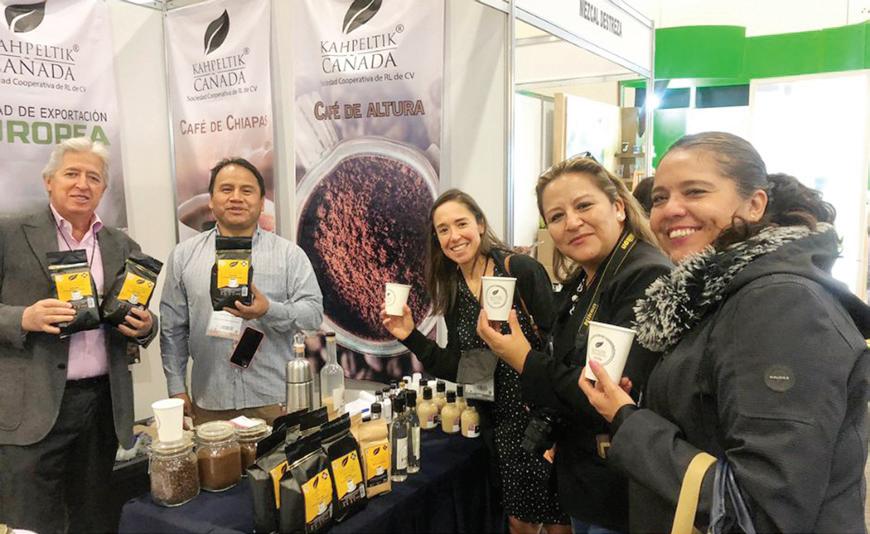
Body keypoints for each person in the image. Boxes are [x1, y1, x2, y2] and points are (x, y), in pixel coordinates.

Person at [580, 132, 870, 533]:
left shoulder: (781, 305)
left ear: (755, 204)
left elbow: (759, 511)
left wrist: (628, 422)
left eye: (695, 192)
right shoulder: (716, 297)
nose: (670, 210)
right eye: (660, 198)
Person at [477, 157, 672, 533]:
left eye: (584, 205)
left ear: (618, 207)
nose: (571, 222)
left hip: (621, 490)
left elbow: (606, 394)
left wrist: (521, 357)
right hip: (585, 478)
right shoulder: (584, 278)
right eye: (556, 216)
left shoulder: (645, 274)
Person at [380, 189, 570, 534]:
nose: (454, 236)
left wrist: (553, 423)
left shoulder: (519, 269)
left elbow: (560, 350)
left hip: (540, 419)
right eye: (443, 230)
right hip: (500, 424)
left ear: (480, 224)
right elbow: (460, 367)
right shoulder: (453, 287)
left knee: (558, 524)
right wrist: (409, 335)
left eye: (461, 224)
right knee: (519, 522)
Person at [0, 138, 157, 533]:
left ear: (103, 189)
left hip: (101, 407)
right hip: (33, 410)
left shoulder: (121, 244)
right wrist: (24, 317)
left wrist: (146, 327)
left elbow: (137, 312)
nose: (82, 184)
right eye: (72, 173)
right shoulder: (9, 233)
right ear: (48, 181)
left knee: (95, 518)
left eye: (94, 177)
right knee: (32, 523)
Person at [160, 157, 323, 425]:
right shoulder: (183, 256)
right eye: (226, 189)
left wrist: (269, 310)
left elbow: (313, 315)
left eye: (247, 190)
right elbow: (172, 328)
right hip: (210, 401)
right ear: (211, 200)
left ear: (262, 202)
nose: (236, 198)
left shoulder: (289, 255)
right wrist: (176, 388)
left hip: (274, 401)